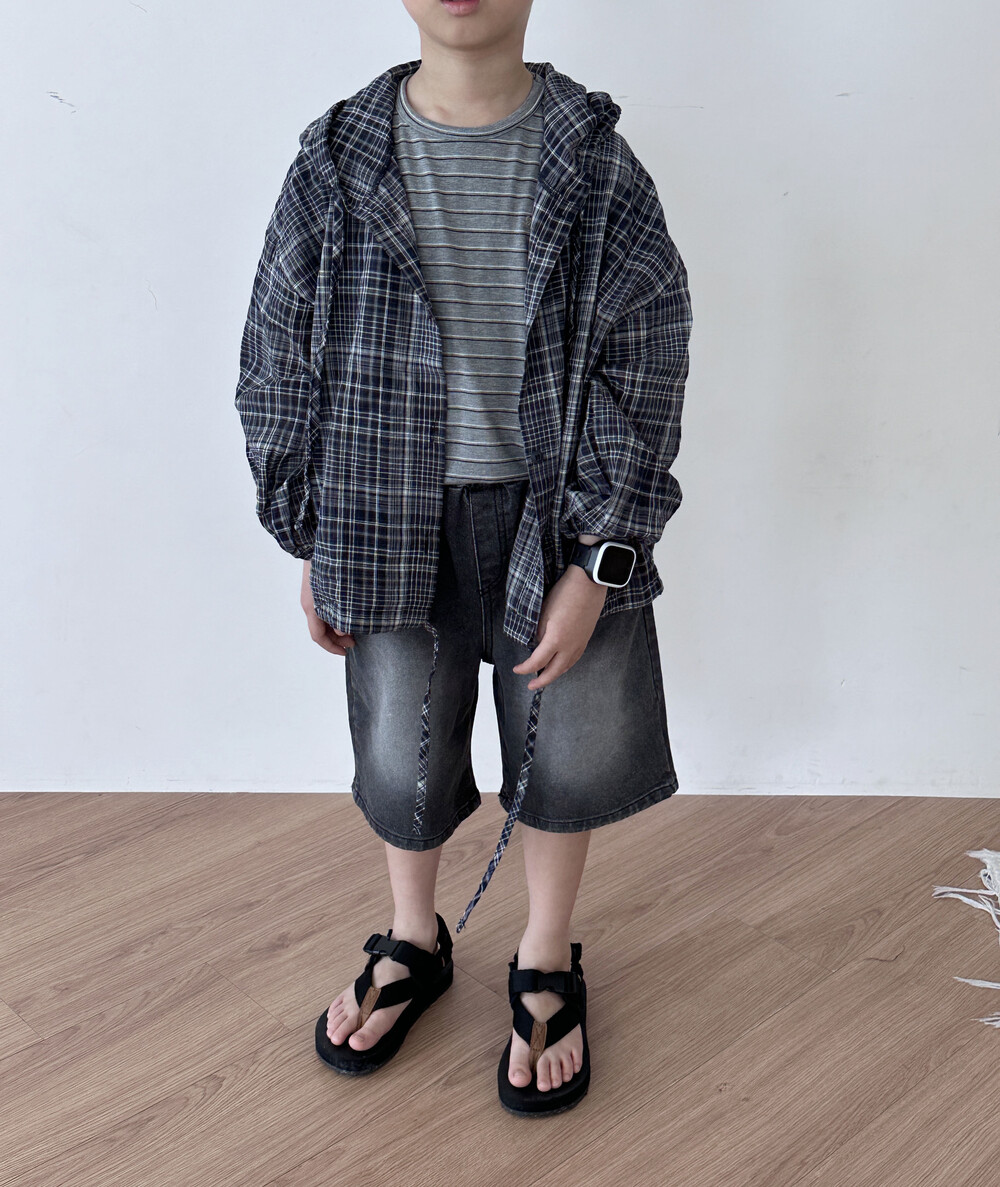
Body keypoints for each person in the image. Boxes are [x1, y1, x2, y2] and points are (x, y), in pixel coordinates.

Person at [235, 0, 692, 1115]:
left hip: (557, 514)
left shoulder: (595, 164)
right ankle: (412, 934)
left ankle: (545, 949)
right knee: (402, 747)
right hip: (386, 511)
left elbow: (647, 358)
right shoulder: (337, 162)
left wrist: (601, 556)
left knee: (567, 744)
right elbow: (278, 352)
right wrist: (313, 527)